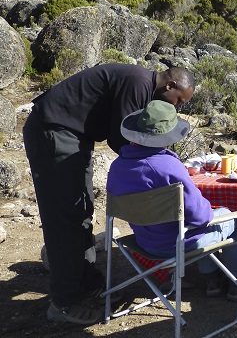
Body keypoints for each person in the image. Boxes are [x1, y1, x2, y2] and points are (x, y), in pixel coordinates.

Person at [23, 63, 195, 325]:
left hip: (75, 136)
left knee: (82, 211)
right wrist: (159, 169)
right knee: (65, 217)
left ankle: (87, 283)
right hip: (53, 129)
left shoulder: (144, 86)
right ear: (169, 85)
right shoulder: (138, 84)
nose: (177, 107)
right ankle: (64, 303)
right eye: (179, 100)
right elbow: (123, 139)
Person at [107, 100, 237, 300]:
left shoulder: (117, 167)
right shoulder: (167, 165)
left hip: (144, 242)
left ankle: (213, 280)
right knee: (233, 219)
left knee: (195, 221)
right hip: (175, 244)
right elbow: (201, 217)